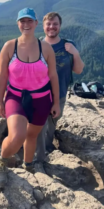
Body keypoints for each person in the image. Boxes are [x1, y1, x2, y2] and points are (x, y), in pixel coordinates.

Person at [0, 7, 60, 187]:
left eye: (30, 21)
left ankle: (28, 165)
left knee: (32, 135)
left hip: (42, 99)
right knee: (17, 136)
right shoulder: (9, 47)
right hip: (16, 97)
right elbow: (2, 76)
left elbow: (53, 76)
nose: (26, 24)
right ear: (18, 24)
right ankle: (2, 162)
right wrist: (0, 101)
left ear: (36, 23)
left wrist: (56, 102)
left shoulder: (45, 48)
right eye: (22, 21)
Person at [36, 12, 84, 161]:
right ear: (43, 27)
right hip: (40, 94)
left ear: (60, 26)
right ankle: (39, 155)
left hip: (61, 93)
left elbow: (78, 70)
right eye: (48, 24)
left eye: (55, 24)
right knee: (39, 125)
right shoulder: (37, 45)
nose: (52, 27)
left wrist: (75, 53)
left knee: (52, 123)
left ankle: (49, 147)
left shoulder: (68, 45)